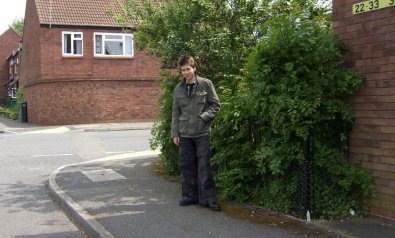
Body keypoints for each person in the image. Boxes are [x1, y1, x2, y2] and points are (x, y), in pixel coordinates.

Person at [171, 55, 221, 211]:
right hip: (184, 134)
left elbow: (216, 105)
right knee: (186, 167)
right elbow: (175, 112)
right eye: (183, 70)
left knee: (204, 167)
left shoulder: (206, 84)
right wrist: (175, 133)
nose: (186, 72)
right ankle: (189, 196)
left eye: (188, 69)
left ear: (194, 68)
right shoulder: (178, 88)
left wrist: (203, 118)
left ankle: (209, 199)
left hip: (201, 133)